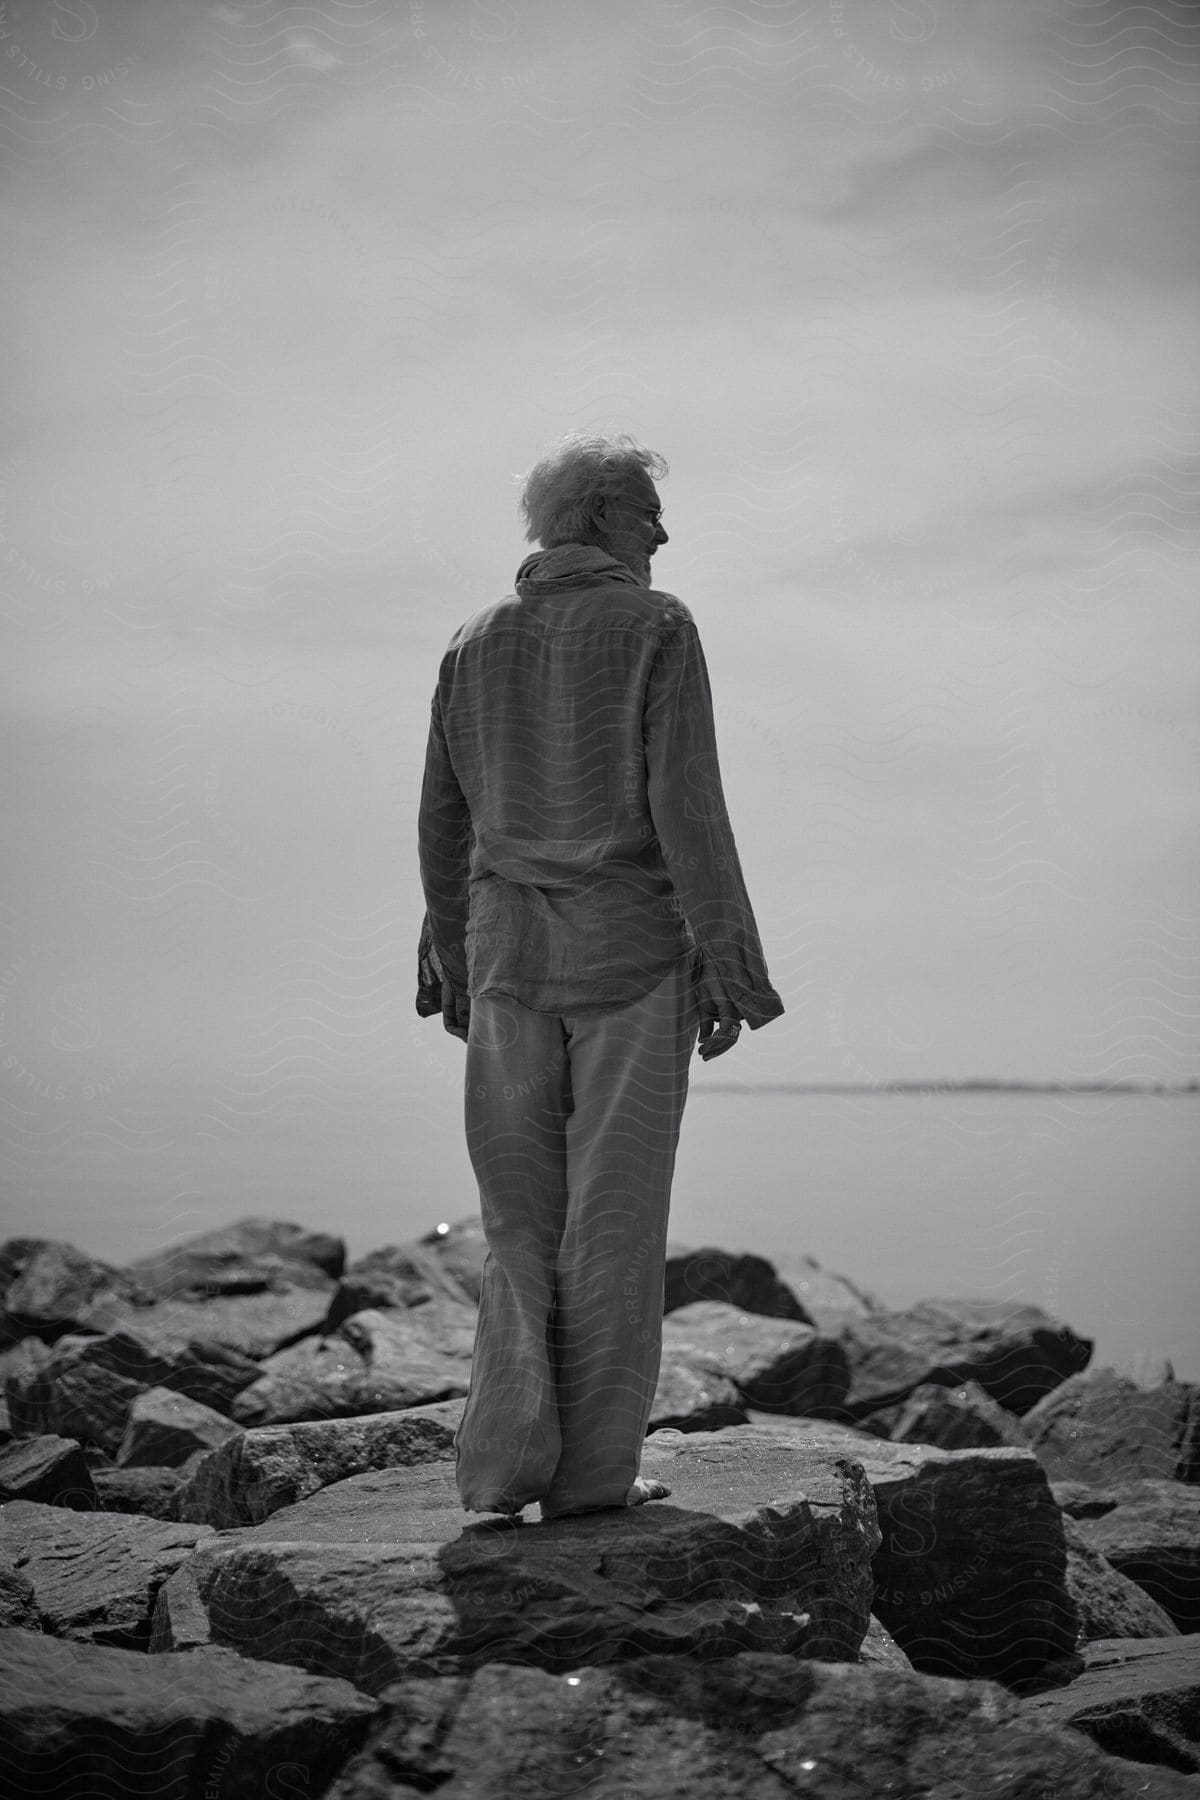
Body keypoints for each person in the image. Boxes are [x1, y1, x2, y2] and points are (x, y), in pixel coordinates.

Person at [416, 431, 783, 1522]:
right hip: (628, 960)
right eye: (644, 510)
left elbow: (443, 818)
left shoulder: (472, 642)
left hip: (506, 958)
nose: (663, 530)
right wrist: (731, 964)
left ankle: (500, 1463)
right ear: (596, 520)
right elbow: (688, 805)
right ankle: (589, 1479)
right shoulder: (657, 627)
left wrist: (447, 953)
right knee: (611, 1221)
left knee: (519, 1221)